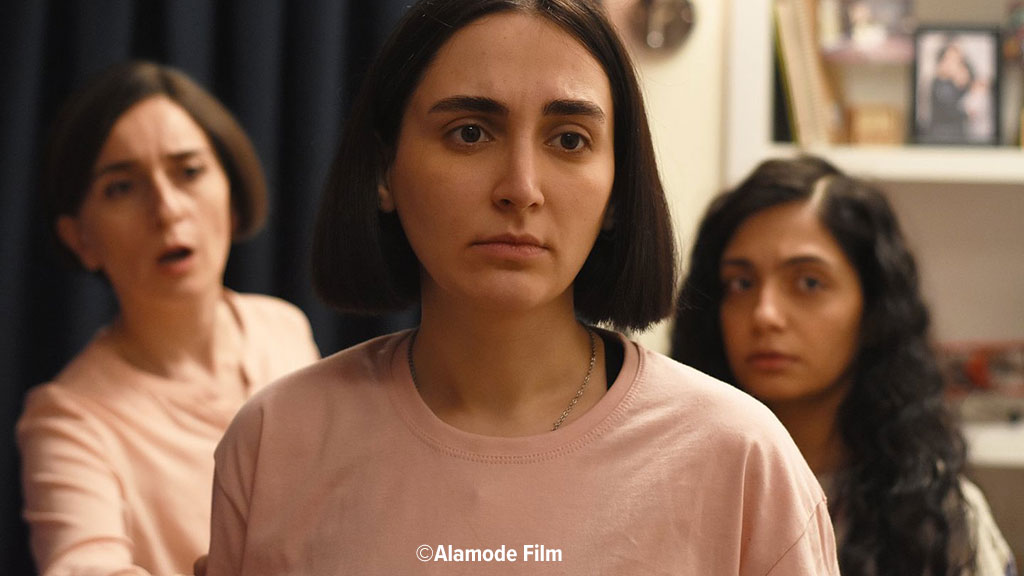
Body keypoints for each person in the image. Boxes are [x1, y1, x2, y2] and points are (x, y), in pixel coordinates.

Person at [203, 1, 841, 574]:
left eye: (569, 140)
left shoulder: (739, 457)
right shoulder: (275, 442)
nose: (521, 188)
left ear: (618, 189)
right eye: (470, 132)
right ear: (384, 169)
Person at [17, 61, 320, 576]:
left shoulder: (282, 328)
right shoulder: (68, 419)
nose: (167, 209)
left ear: (231, 191)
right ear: (80, 238)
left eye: (189, 172)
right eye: (121, 188)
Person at [671, 155, 1017, 575]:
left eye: (808, 283)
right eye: (741, 283)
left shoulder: (939, 517)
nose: (765, 314)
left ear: (872, 309)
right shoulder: (669, 486)